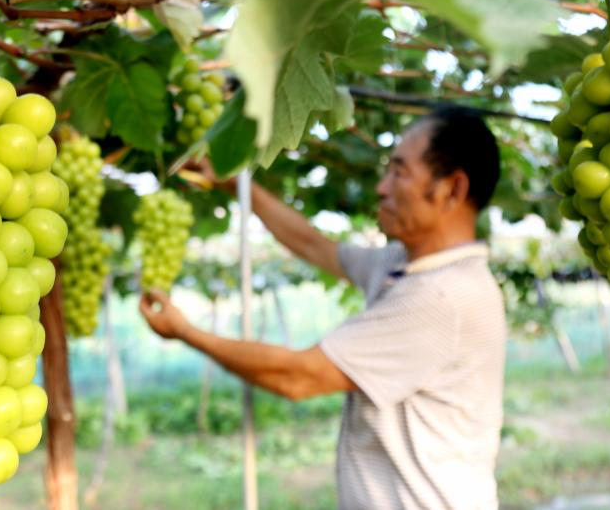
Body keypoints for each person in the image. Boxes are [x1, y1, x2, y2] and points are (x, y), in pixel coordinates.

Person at [139, 106, 506, 510]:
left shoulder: (442, 298)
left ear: (452, 189)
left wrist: (186, 332)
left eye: (399, 172)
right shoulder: (405, 266)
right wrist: (235, 186)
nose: (382, 188)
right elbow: (317, 246)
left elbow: (298, 377)